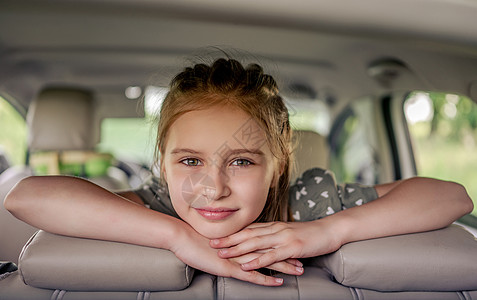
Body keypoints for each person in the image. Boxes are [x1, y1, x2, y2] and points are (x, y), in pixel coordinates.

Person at [4, 58, 473, 287]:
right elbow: (25, 197)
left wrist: (328, 232)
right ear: (162, 164)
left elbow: (452, 197)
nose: (214, 187)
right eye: (189, 161)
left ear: (277, 167)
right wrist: (174, 237)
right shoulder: (158, 205)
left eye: (242, 161)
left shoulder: (306, 204)